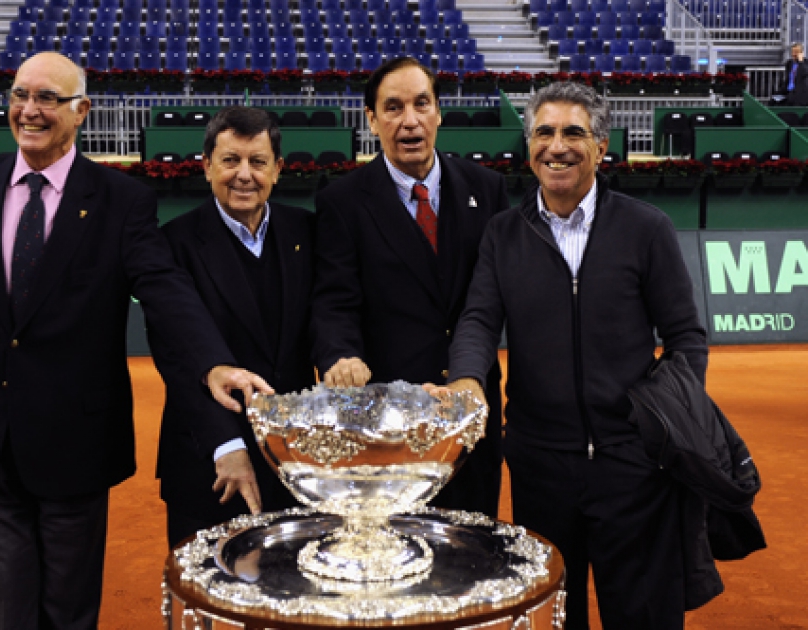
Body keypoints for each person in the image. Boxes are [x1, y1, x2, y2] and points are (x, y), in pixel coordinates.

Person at [0, 52, 271, 630]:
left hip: (74, 442)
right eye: (20, 95)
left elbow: (163, 288)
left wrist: (211, 365)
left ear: (81, 111)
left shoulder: (121, 201)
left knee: (68, 606)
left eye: (48, 99)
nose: (30, 110)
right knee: (1, 602)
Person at [439, 82, 709, 629]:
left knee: (642, 616)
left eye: (572, 133)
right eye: (544, 132)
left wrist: (661, 425)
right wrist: (467, 377)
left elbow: (686, 337)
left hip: (633, 468)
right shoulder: (502, 234)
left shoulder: (646, 228)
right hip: (541, 469)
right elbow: (478, 320)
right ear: (529, 144)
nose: (556, 146)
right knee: (556, 619)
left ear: (601, 147)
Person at [311, 56, 510, 517]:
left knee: (472, 545)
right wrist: (339, 356)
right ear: (372, 119)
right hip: (387, 419)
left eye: (422, 104)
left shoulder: (489, 188)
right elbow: (334, 300)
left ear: (439, 111)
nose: (410, 121)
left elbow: (493, 298)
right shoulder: (341, 202)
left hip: (469, 413)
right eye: (394, 107)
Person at [152, 106, 315, 548]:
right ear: (206, 166)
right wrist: (226, 446)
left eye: (258, 162)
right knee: (208, 600)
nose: (244, 175)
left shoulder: (308, 232)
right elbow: (177, 358)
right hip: (209, 464)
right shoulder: (172, 245)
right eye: (230, 160)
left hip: (294, 462)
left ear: (278, 170)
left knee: (290, 602)